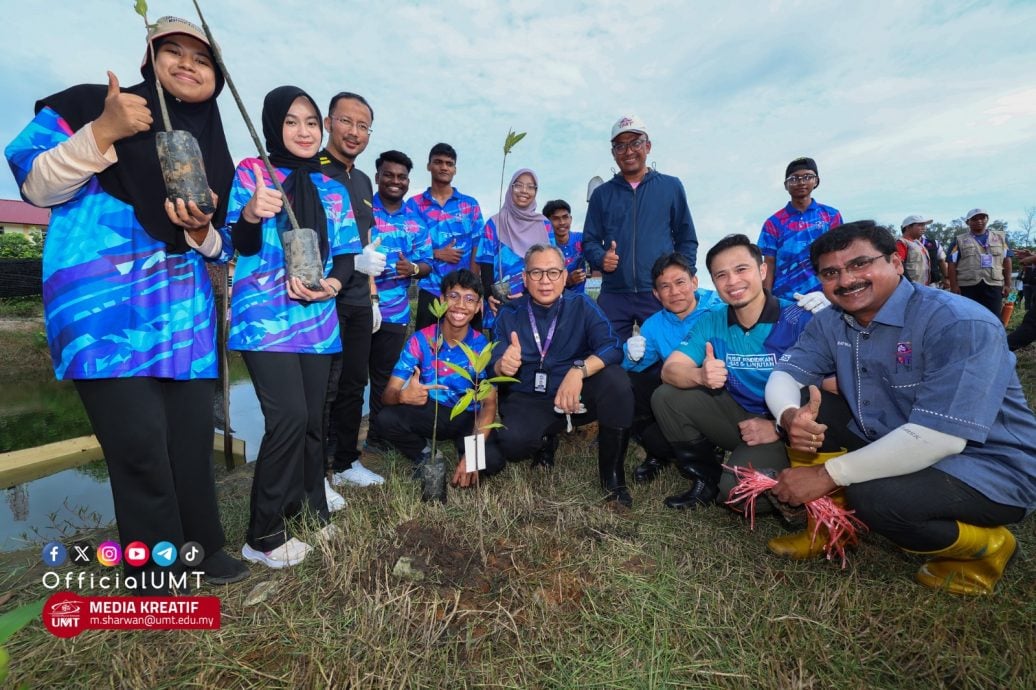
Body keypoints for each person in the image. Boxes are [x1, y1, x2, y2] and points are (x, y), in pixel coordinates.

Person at [5, 16, 247, 591]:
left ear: (217, 76)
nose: (188, 64)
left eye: (202, 57)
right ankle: (155, 575)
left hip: (183, 313)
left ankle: (205, 549)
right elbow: (35, 185)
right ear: (149, 60)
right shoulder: (94, 104)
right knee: (138, 447)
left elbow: (225, 245)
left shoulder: (215, 151)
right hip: (102, 313)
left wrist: (201, 232)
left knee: (189, 442)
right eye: (173, 52)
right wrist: (103, 132)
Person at [766, 221, 1036, 595]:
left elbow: (941, 438)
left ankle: (988, 548)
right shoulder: (831, 321)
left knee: (876, 498)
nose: (846, 280)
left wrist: (828, 475)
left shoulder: (959, 322)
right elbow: (785, 374)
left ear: (895, 261)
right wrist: (787, 416)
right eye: (831, 273)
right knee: (812, 407)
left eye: (860, 264)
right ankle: (827, 529)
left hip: (988, 464)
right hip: (892, 439)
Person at [227, 86, 361, 569]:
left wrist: (330, 284)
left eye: (310, 122)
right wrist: (249, 213)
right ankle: (262, 535)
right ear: (272, 127)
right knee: (286, 418)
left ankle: (311, 509)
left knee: (311, 422)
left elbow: (346, 255)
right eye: (291, 122)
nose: (303, 132)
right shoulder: (253, 173)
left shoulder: (332, 187)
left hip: (318, 320)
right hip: (265, 320)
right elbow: (234, 244)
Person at [651, 234, 812, 510]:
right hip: (740, 417)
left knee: (736, 494)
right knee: (666, 396)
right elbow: (670, 369)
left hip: (790, 423)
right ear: (713, 283)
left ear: (762, 271)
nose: (733, 282)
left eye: (741, 269)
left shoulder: (798, 318)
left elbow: (832, 388)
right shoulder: (712, 321)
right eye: (721, 275)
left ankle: (800, 485)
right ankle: (706, 477)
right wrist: (699, 376)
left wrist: (778, 426)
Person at [483, 245, 634, 506]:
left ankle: (613, 477)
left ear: (564, 277)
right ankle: (545, 441)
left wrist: (579, 370)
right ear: (525, 277)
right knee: (513, 444)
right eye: (537, 273)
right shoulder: (509, 314)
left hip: (572, 394)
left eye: (553, 272)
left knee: (616, 381)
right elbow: (492, 359)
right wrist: (502, 365)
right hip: (528, 397)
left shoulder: (582, 305)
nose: (545, 281)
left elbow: (612, 346)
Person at [319, 91, 387, 490]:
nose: (354, 132)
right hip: (328, 296)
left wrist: (374, 295)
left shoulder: (361, 180)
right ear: (329, 122)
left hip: (361, 298)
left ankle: (345, 462)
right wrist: (345, 264)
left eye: (363, 126)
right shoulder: (314, 170)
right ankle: (319, 473)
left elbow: (370, 243)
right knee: (326, 386)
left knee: (353, 384)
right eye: (346, 122)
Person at [370, 269, 495, 487]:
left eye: (469, 299)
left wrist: (473, 457)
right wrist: (403, 396)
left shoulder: (482, 347)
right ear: (442, 300)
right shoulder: (421, 340)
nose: (460, 305)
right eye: (453, 296)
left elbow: (489, 405)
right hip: (430, 409)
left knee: (492, 462)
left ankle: (463, 452)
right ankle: (426, 453)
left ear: (478, 306)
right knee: (386, 419)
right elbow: (388, 394)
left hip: (466, 415)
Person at [583, 115, 697, 340]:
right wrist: (601, 258)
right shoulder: (601, 195)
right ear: (613, 152)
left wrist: (681, 277)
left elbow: (687, 238)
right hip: (614, 293)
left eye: (635, 143)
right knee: (608, 354)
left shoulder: (670, 186)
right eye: (620, 146)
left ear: (648, 146)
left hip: (658, 291)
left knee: (668, 355)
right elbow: (589, 241)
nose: (628, 151)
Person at [623, 253, 723, 483]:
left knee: (664, 391)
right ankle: (656, 453)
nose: (675, 292)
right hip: (676, 394)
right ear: (656, 295)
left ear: (694, 282)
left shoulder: (719, 308)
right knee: (628, 383)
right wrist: (629, 354)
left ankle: (712, 446)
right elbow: (634, 368)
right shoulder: (653, 324)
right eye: (665, 287)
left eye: (680, 282)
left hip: (720, 393)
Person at [364, 150, 433, 451]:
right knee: (348, 380)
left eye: (401, 177)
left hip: (395, 312)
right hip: (357, 307)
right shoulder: (362, 212)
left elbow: (428, 263)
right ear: (377, 176)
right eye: (388, 175)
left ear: (408, 181)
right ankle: (334, 442)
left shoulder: (416, 222)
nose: (395, 181)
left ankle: (377, 438)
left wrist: (414, 269)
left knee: (383, 379)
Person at [410, 143, 485, 330]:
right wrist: (436, 253)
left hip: (464, 294)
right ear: (429, 166)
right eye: (438, 162)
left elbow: (478, 245)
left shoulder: (470, 205)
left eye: (449, 164)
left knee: (467, 350)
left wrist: (473, 287)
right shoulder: (414, 205)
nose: (444, 167)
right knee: (427, 349)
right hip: (431, 289)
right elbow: (405, 246)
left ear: (455, 169)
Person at [476, 168, 554, 330]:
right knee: (502, 353)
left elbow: (551, 264)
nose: (524, 191)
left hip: (537, 301)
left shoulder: (544, 225)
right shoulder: (494, 223)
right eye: (518, 185)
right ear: (510, 187)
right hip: (500, 306)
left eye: (531, 187)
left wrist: (529, 294)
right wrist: (490, 295)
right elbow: (486, 264)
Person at [758, 156, 843, 300]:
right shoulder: (773, 222)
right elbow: (769, 263)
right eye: (794, 178)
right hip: (784, 299)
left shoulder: (831, 216)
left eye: (807, 177)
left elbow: (841, 255)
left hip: (825, 296)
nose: (801, 182)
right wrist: (766, 300)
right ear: (786, 185)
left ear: (816, 181)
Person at [947, 208, 1011, 316]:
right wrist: (954, 286)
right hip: (967, 286)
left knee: (994, 317)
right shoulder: (958, 240)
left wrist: (1008, 284)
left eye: (982, 218)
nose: (979, 221)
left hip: (993, 284)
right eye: (974, 219)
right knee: (968, 316)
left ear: (987, 219)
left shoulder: (1000, 238)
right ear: (968, 222)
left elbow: (1007, 260)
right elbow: (951, 264)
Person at [542, 199, 587, 294]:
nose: (562, 222)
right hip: (552, 300)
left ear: (571, 219)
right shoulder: (543, 248)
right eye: (556, 218)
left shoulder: (582, 239)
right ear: (546, 222)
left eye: (565, 217)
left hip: (578, 299)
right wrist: (567, 281)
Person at [896, 214, 935, 285]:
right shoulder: (902, 243)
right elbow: (899, 264)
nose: (924, 228)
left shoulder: (918, 243)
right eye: (920, 225)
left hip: (923, 286)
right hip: (911, 287)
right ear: (908, 227)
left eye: (924, 225)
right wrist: (910, 284)